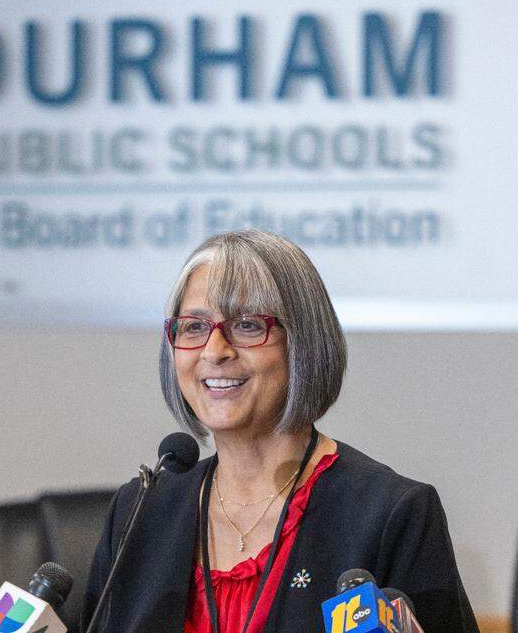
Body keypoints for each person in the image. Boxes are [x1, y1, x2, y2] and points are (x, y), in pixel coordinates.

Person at [80, 230, 478, 633]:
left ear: (304, 342)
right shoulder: (140, 513)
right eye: (194, 327)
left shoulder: (391, 514)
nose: (215, 351)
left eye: (248, 325)